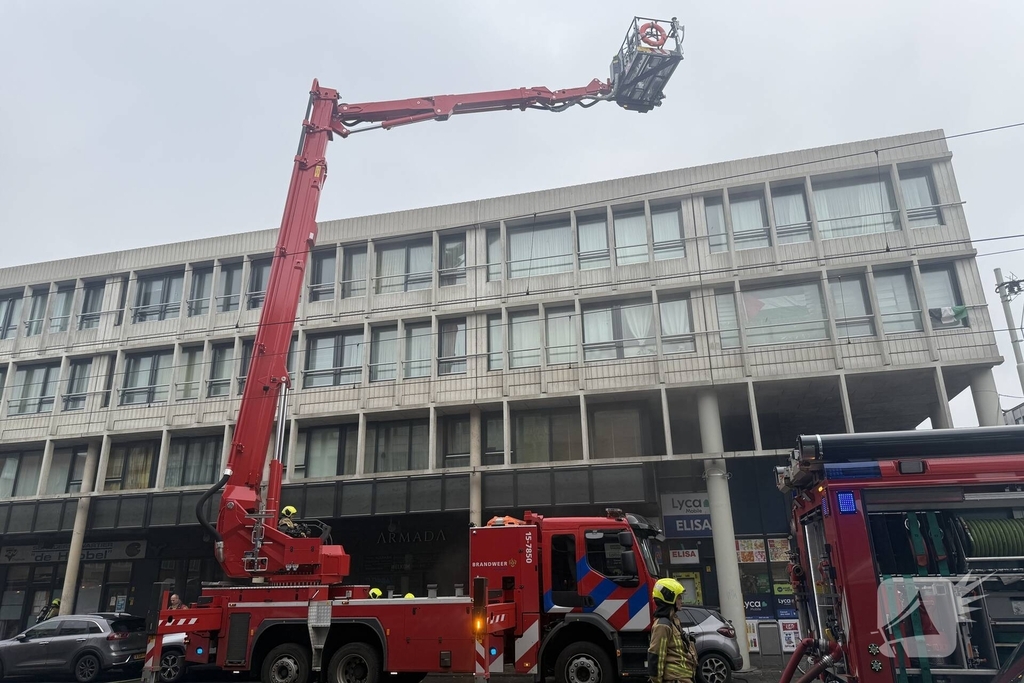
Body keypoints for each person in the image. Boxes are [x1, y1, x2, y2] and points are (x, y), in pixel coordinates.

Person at [647, 578, 698, 683]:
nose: (681, 601)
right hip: (675, 679)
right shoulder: (662, 625)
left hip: (683, 678)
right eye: (679, 597)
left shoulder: (673, 621)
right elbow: (656, 656)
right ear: (669, 598)